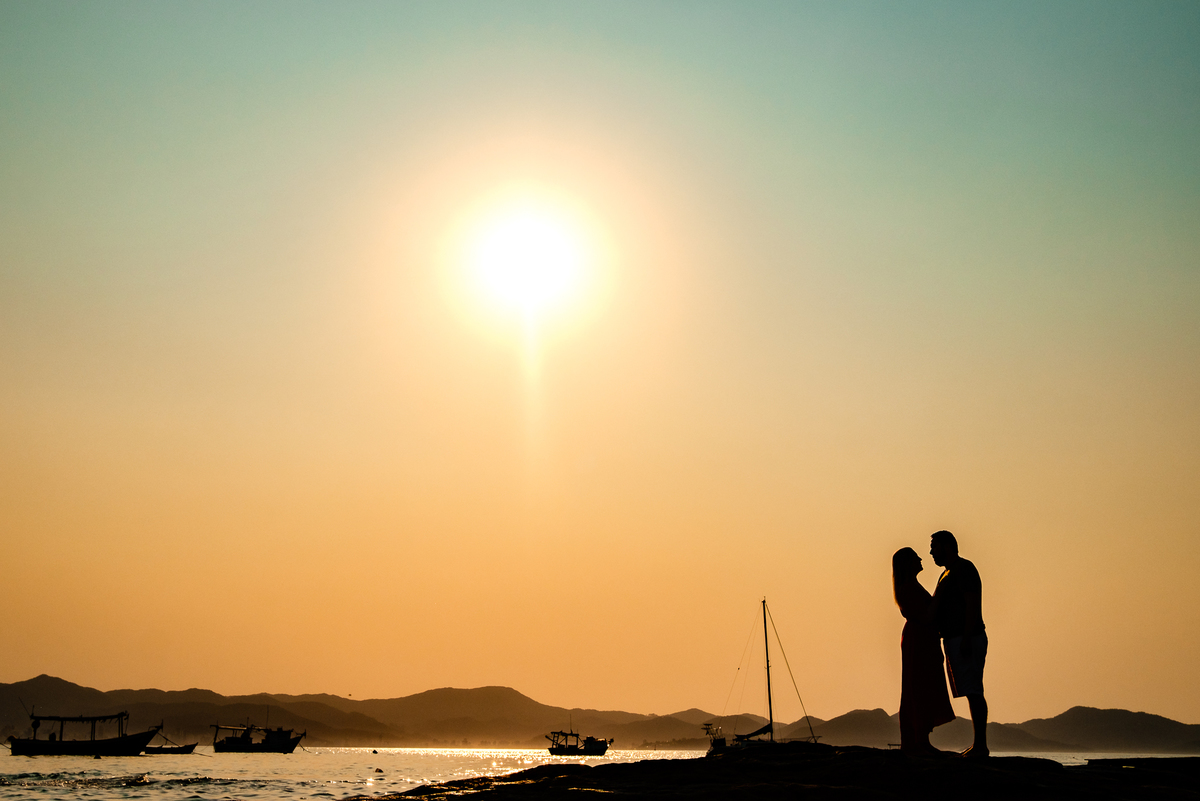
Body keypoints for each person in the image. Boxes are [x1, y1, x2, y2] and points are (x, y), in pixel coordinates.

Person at [929, 530, 988, 758]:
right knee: (969, 690)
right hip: (956, 638)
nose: (931, 553)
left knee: (974, 690)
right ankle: (979, 745)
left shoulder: (964, 569)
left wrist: (965, 637)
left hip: (968, 638)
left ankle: (980, 746)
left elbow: (972, 603)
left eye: (934, 547)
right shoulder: (947, 574)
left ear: (946, 546)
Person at [892, 547, 955, 755]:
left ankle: (920, 738)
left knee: (922, 684)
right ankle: (919, 740)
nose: (920, 559)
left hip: (922, 639)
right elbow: (926, 615)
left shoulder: (910, 586)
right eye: (915, 557)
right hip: (918, 640)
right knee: (919, 685)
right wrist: (940, 591)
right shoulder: (908, 589)